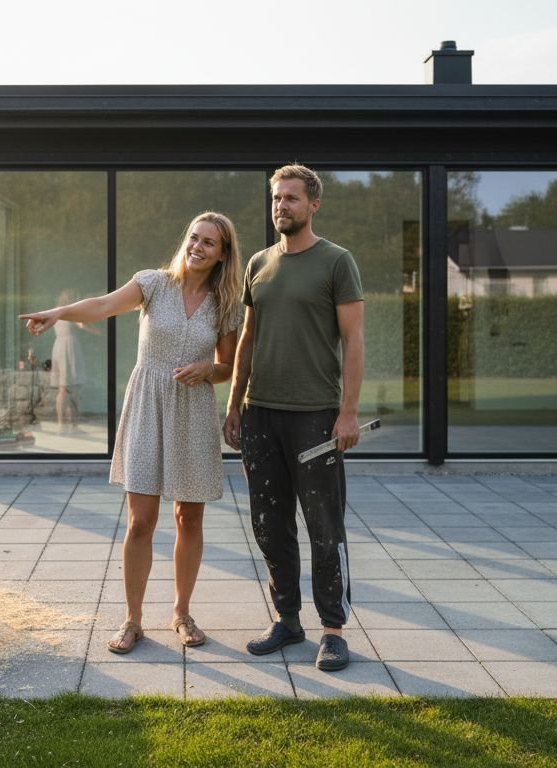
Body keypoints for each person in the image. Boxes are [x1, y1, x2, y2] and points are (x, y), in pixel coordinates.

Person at [20, 212, 244, 653]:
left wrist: (208, 369)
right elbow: (102, 306)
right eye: (194, 237)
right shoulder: (154, 283)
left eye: (209, 243)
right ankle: (132, 620)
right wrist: (58, 312)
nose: (197, 246)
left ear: (222, 254)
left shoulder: (225, 303)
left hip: (193, 409)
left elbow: (231, 366)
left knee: (189, 518)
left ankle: (181, 613)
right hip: (146, 404)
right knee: (141, 521)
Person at [223, 165, 365, 672]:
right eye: (276, 198)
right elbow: (248, 339)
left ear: (313, 205)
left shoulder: (336, 262)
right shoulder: (258, 263)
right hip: (261, 414)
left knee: (325, 526)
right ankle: (287, 620)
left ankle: (333, 630)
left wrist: (347, 413)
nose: (281, 206)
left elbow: (354, 342)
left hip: (316, 417)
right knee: (270, 526)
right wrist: (235, 402)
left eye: (291, 199)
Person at [46, 289, 96, 433]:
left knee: (66, 388)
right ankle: (68, 425)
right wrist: (98, 333)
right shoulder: (69, 312)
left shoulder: (56, 311)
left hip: (59, 347)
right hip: (68, 348)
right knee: (70, 388)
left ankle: (65, 425)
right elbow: (82, 324)